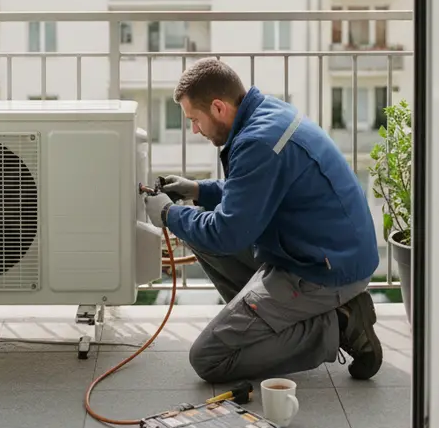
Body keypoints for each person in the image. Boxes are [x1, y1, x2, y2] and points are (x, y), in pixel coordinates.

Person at [143, 58, 382, 385]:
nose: (194, 129)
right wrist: (198, 190)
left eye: (194, 120)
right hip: (325, 249)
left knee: (209, 359)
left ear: (217, 107)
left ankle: (339, 323)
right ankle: (270, 322)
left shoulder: (258, 142)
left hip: (326, 270)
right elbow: (258, 188)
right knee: (201, 235)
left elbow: (227, 233)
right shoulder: (266, 113)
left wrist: (168, 214)